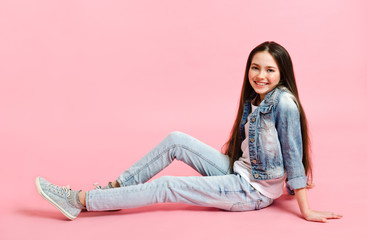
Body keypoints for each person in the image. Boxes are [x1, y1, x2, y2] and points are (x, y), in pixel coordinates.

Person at [35, 41, 342, 222]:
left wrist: (305, 207)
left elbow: (292, 153)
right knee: (177, 140)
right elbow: (263, 150)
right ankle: (116, 191)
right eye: (255, 67)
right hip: (240, 171)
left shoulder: (284, 103)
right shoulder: (257, 99)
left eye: (269, 70)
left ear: (282, 72)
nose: (260, 75)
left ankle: (80, 200)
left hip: (251, 191)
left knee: (168, 186)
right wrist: (287, 186)